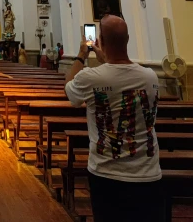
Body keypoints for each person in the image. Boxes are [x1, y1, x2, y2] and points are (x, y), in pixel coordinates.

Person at [65, 15, 163, 222]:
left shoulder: (91, 78)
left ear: (99, 40)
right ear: (127, 39)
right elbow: (120, 72)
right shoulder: (150, 77)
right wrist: (107, 59)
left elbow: (70, 89)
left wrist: (82, 55)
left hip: (107, 173)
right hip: (148, 174)